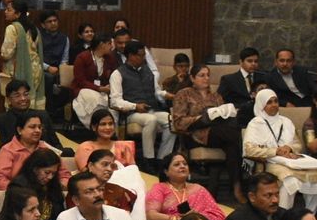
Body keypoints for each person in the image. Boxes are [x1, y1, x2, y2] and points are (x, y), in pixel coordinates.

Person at [170, 62, 246, 202]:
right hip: (194, 134)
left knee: (232, 143)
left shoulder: (216, 96)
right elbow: (179, 122)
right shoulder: (183, 94)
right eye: (202, 75)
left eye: (208, 75)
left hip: (218, 132)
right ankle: (238, 186)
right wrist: (201, 117)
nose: (206, 78)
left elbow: (223, 115)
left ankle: (236, 187)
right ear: (192, 78)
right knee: (234, 137)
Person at [244, 87, 317, 210]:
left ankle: (309, 214)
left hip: (291, 161)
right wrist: (276, 151)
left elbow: (297, 144)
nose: (274, 105)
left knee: (316, 178)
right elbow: (249, 150)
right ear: (261, 105)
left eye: (276, 101)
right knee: (290, 181)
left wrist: (289, 148)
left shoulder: (286, 122)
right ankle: (282, 215)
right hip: (268, 162)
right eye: (269, 102)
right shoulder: (255, 124)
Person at [108, 41, 175, 170]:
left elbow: (156, 91)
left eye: (144, 55)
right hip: (131, 114)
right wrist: (135, 106)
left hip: (151, 109)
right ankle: (148, 159)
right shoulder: (118, 74)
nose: (143, 58)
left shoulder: (147, 70)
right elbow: (115, 101)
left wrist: (168, 95)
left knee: (171, 120)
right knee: (151, 119)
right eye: (140, 55)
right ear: (130, 56)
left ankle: (162, 158)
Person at [144, 150, 228, 220]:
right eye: (177, 164)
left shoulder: (198, 189)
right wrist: (178, 219)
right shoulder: (160, 188)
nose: (182, 166)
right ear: (166, 172)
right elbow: (151, 215)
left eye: (185, 164)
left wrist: (196, 216)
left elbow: (218, 215)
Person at [0, 1, 46, 111]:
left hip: (18, 70)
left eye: (9, 10)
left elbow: (6, 53)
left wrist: (0, 58)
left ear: (18, 14)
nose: (5, 12)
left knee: (17, 100)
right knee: (30, 100)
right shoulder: (34, 29)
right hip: (35, 70)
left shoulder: (12, 28)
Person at [0, 79, 62, 153]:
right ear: (9, 99)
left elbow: (56, 145)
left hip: (44, 156)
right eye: (17, 95)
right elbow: (0, 149)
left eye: (26, 94)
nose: (23, 98)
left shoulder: (43, 115)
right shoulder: (1, 120)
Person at [0, 112, 51, 190]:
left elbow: (63, 175)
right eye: (32, 127)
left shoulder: (46, 149)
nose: (38, 130)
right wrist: (21, 190)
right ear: (20, 130)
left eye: (40, 127)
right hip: (16, 194)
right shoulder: (8, 151)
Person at [70, 34, 116, 128]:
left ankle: (107, 127)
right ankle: (96, 126)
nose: (112, 46)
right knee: (93, 98)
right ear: (101, 44)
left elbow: (114, 75)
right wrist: (99, 88)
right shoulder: (82, 57)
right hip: (83, 89)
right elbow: (80, 80)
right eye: (109, 43)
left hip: (104, 91)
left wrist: (109, 86)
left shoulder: (110, 58)